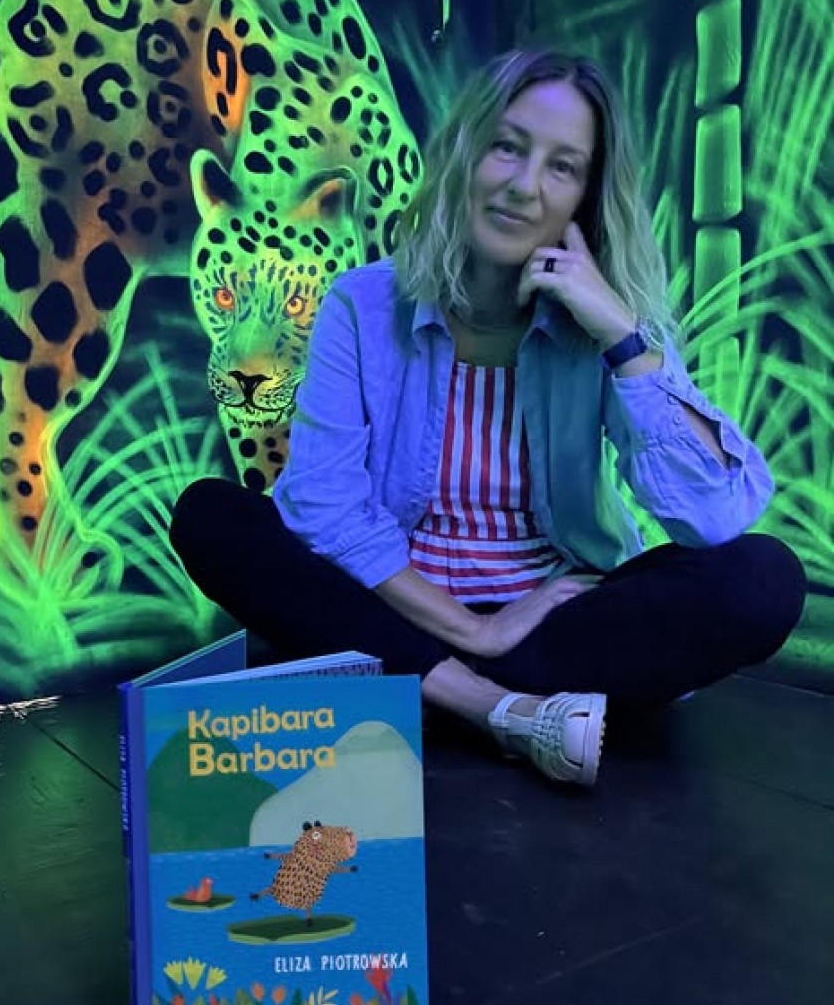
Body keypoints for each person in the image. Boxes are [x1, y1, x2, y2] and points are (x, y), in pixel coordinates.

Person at [170, 47, 806, 788]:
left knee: (765, 578)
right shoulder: (362, 304)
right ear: (465, 154)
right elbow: (324, 504)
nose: (525, 185)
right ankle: (497, 707)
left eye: (562, 167)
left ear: (587, 197)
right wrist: (475, 629)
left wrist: (621, 337)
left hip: (550, 622)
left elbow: (716, 516)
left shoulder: (609, 318)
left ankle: (426, 692)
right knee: (212, 517)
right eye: (507, 146)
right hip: (396, 603)